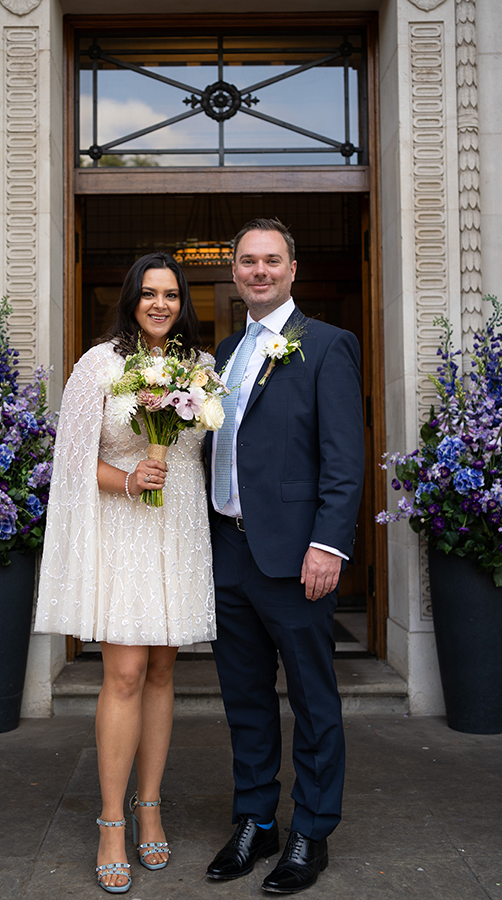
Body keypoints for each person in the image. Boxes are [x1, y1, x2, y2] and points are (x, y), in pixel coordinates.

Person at [34, 252, 215, 894]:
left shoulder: (201, 369)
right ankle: (112, 820)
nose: (160, 304)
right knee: (127, 670)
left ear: (182, 300)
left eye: (170, 293)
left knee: (165, 668)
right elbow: (72, 462)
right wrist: (130, 477)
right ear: (130, 299)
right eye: (148, 293)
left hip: (180, 524)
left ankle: (151, 808)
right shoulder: (98, 366)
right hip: (123, 526)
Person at [205, 218, 365, 894]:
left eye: (272, 260)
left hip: (298, 556)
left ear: (292, 270)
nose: (259, 271)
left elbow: (344, 457)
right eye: (248, 261)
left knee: (312, 698)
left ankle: (311, 828)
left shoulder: (326, 346)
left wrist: (329, 543)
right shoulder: (224, 351)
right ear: (234, 272)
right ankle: (255, 820)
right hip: (229, 551)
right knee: (244, 699)